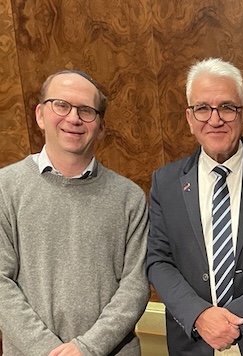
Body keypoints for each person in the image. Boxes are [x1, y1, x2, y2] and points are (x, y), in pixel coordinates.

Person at [146, 58, 243, 356]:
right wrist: (199, 316)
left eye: (227, 107)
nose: (215, 119)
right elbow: (158, 260)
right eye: (202, 108)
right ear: (189, 118)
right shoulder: (165, 183)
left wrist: (235, 319)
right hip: (193, 341)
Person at [0, 70, 150, 355]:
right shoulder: (4, 189)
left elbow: (136, 287)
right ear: (40, 115)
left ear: (102, 127)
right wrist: (48, 349)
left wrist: (86, 348)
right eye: (61, 105)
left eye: (86, 110)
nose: (73, 118)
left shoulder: (129, 198)